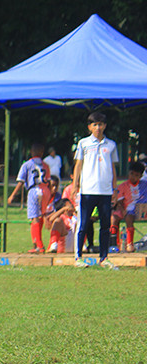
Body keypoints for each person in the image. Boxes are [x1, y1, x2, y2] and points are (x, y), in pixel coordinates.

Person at [72, 112, 119, 269]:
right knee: (84, 223)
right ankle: (78, 257)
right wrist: (75, 185)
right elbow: (78, 165)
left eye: (100, 124)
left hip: (105, 191)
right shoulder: (83, 143)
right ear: (89, 127)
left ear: (105, 126)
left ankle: (104, 258)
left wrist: (115, 188)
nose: (98, 127)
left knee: (105, 225)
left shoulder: (111, 144)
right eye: (95, 125)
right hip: (88, 190)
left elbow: (113, 167)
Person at [7, 143, 48, 253]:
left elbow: (21, 181)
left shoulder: (27, 164)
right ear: (42, 153)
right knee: (41, 217)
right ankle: (37, 244)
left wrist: (12, 195)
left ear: (31, 152)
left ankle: (39, 245)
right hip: (44, 190)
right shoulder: (45, 165)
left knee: (34, 218)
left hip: (33, 190)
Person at [113, 162, 144, 252]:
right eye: (131, 174)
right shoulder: (123, 186)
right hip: (125, 208)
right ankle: (115, 244)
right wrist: (122, 210)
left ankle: (130, 243)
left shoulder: (144, 185)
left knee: (129, 218)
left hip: (139, 209)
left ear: (140, 176)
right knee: (114, 218)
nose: (133, 177)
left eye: (136, 175)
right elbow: (119, 201)